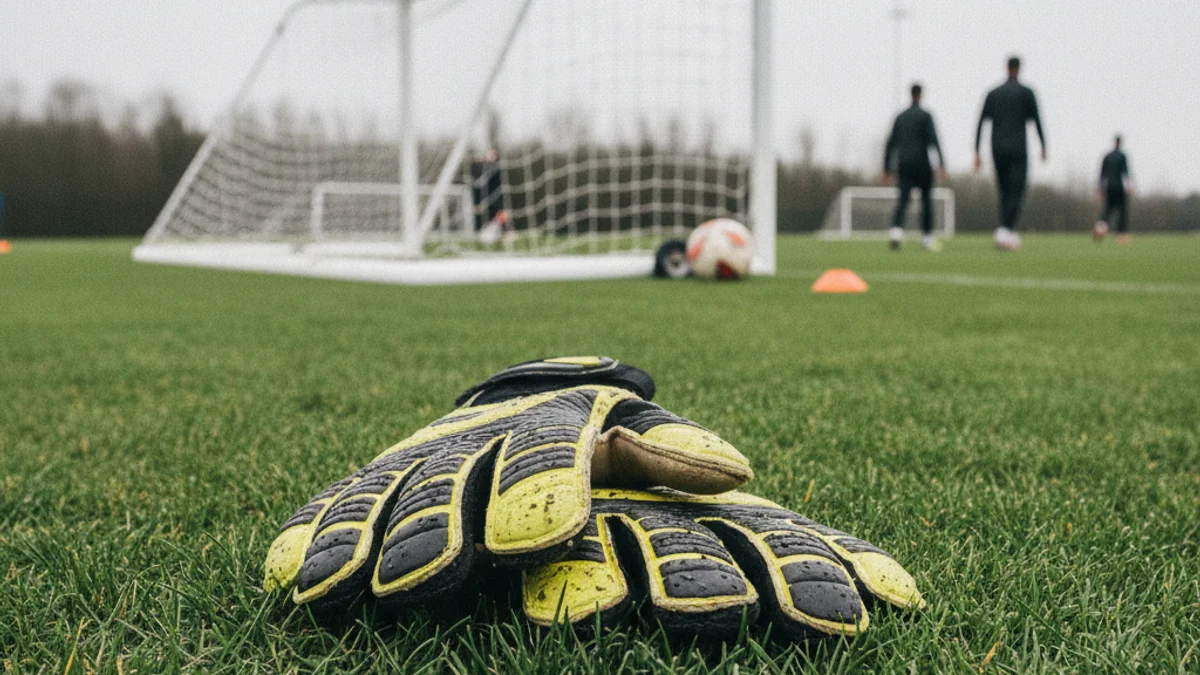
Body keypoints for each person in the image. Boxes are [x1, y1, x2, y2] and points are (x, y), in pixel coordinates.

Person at [974, 56, 1047, 251]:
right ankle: (1006, 230)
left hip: (997, 148)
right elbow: (1037, 120)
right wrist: (1043, 145)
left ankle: (1006, 231)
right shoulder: (1026, 93)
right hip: (1017, 148)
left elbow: (980, 122)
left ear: (1007, 68)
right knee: (1017, 190)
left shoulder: (993, 93)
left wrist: (977, 151)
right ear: (1019, 69)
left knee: (1004, 191)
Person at [883, 83, 946, 251]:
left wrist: (887, 168)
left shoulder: (900, 117)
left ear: (910, 94)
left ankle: (896, 232)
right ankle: (926, 238)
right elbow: (934, 140)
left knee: (903, 200)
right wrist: (941, 164)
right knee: (926, 202)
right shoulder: (926, 116)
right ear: (920, 95)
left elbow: (890, 144)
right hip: (922, 164)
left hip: (904, 164)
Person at [1095, 135, 1134, 244]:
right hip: (1119, 187)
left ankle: (1099, 229)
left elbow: (1102, 175)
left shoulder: (1107, 156)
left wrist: (1100, 190)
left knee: (1107, 210)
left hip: (1109, 188)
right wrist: (1130, 185)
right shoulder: (1122, 156)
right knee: (1122, 211)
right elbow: (1126, 172)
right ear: (1120, 143)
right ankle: (1121, 235)